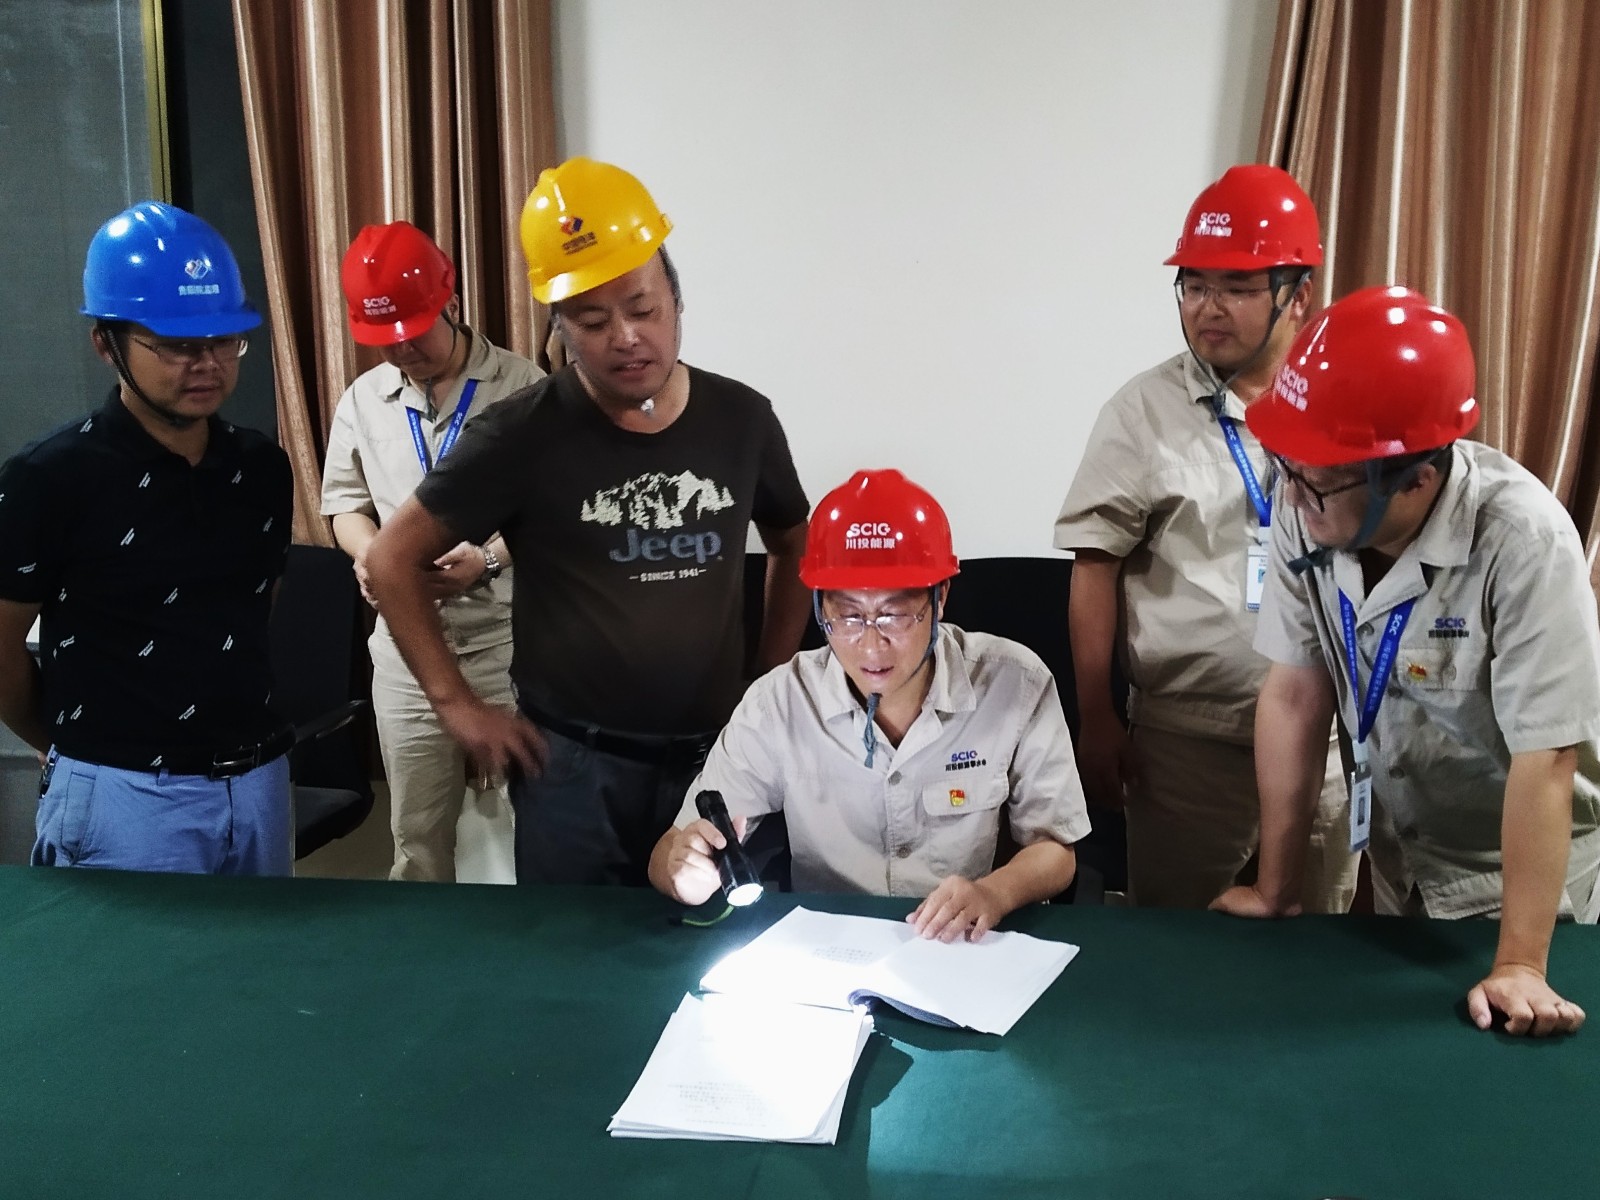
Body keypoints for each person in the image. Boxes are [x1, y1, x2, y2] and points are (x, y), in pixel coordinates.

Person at [365, 157, 811, 886]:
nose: (626, 337)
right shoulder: (520, 432)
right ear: (562, 327)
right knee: (570, 944)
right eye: (593, 321)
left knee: (722, 936)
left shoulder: (743, 419)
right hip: (572, 768)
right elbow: (391, 561)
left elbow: (795, 540)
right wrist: (457, 705)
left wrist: (770, 679)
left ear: (677, 300)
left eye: (643, 308)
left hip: (719, 756)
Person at [1212, 286, 1600, 1037]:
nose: (1292, 496)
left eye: (1316, 480)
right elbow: (1295, 694)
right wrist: (1276, 889)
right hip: (1402, 861)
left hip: (1521, 887)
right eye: (1286, 466)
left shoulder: (1523, 542)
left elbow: (1546, 756)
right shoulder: (1306, 500)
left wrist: (1521, 962)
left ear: (1416, 478)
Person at [1053, 165, 1355, 911]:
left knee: (1315, 938)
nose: (1208, 308)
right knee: (1177, 941)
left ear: (1297, 295)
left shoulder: (1346, 398)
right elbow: (1095, 566)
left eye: (1237, 287)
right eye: (1194, 285)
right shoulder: (1141, 412)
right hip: (1187, 742)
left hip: (1326, 738)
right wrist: (1096, 715)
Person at [650, 470, 1089, 941]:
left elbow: (1056, 848)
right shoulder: (779, 702)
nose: (872, 646)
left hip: (958, 943)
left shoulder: (1014, 682)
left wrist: (993, 894)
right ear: (820, 607)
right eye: (848, 616)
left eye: (895, 615)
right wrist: (684, 870)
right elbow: (670, 850)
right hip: (830, 945)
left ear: (940, 597)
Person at [0, 201, 294, 874]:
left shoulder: (260, 466)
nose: (207, 363)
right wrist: (68, 742)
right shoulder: (49, 476)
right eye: (177, 345)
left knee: (262, 947)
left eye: (224, 341)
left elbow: (254, 610)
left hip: (258, 782)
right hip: (123, 792)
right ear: (107, 344)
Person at [322, 221, 544, 882]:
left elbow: (555, 510)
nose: (403, 350)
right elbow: (344, 504)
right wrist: (372, 557)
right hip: (405, 656)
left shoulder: (523, 386)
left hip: (508, 646)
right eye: (386, 339)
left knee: (531, 827)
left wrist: (489, 558)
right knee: (417, 839)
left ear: (449, 301)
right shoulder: (364, 400)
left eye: (414, 331)